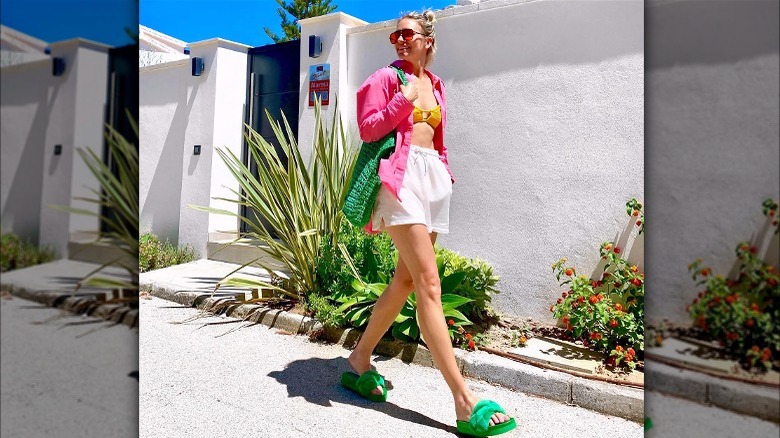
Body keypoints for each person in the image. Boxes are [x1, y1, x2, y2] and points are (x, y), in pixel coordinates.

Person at [341, 9, 517, 437]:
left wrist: (444, 171)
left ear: (426, 40)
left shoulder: (436, 85)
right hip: (399, 182)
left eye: (407, 34)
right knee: (429, 286)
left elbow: (436, 138)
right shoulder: (387, 78)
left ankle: (359, 359)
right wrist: (403, 99)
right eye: (394, 35)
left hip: (432, 181)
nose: (399, 40)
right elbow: (368, 130)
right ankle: (463, 400)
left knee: (404, 283)